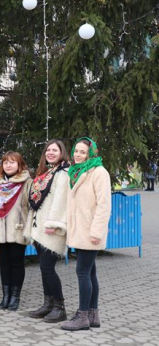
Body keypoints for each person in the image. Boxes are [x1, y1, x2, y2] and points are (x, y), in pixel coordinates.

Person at [61, 137, 112, 331]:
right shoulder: (74, 172)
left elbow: (104, 205)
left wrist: (97, 231)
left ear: (92, 153)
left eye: (83, 152)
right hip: (79, 229)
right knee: (90, 272)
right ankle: (93, 314)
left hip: (90, 231)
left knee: (82, 272)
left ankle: (82, 316)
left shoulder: (99, 172)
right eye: (76, 151)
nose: (78, 155)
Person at [24, 139, 70, 323]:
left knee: (47, 268)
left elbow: (61, 200)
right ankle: (48, 304)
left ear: (62, 152)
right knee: (44, 269)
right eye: (48, 150)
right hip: (39, 228)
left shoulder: (63, 173)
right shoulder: (46, 172)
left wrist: (54, 223)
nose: (50, 153)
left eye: (55, 150)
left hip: (51, 228)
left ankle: (60, 307)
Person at [0, 151, 32, 311]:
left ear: (19, 165)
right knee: (4, 263)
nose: (8, 165)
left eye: (12, 162)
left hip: (17, 229)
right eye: (5, 162)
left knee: (16, 263)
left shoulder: (27, 182)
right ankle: (5, 296)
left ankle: (15, 297)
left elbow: (32, 207)